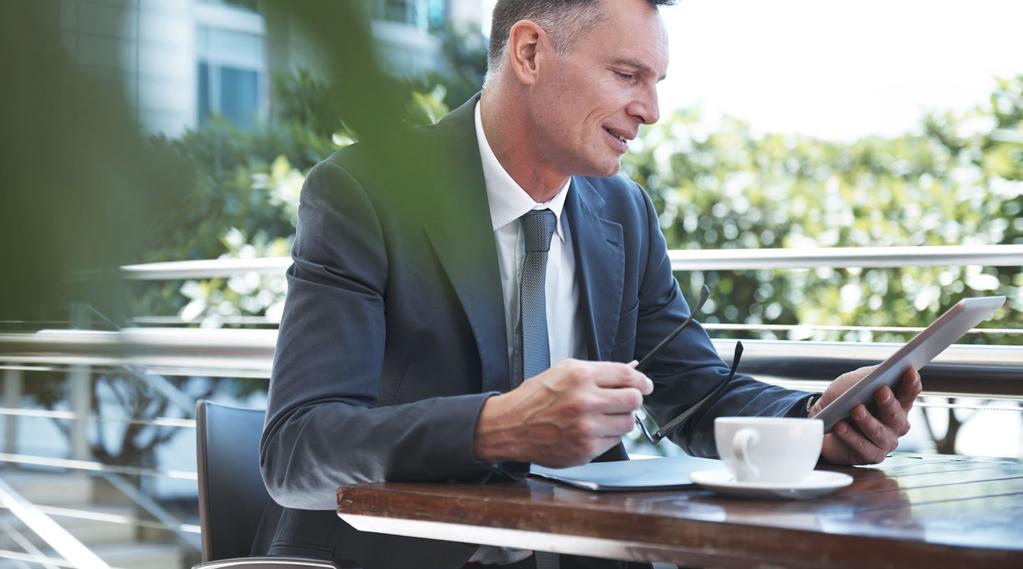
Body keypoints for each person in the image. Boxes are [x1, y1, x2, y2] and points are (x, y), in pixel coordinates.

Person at [258, 1, 922, 567]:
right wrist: (497, 425)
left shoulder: (622, 213)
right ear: (528, 52)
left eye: (656, 80)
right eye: (627, 75)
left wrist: (814, 425)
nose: (652, 110)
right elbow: (298, 448)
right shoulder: (363, 193)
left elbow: (692, 389)